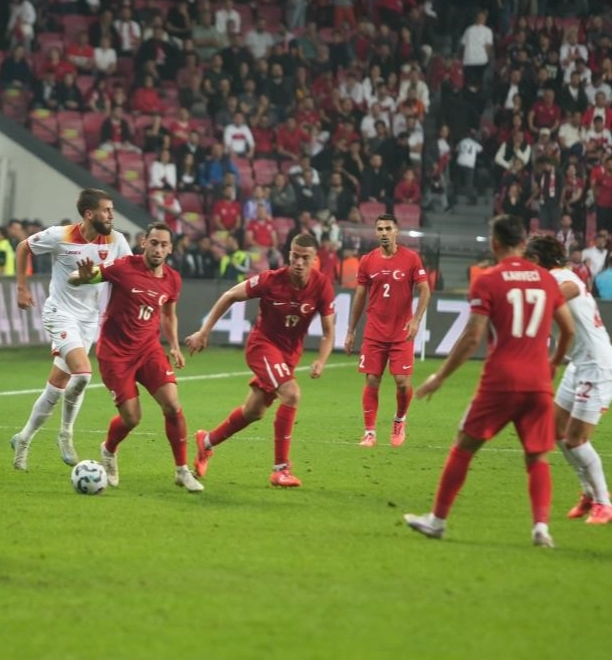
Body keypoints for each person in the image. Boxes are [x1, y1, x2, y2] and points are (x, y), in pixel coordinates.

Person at [404, 215, 575, 548]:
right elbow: (568, 330)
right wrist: (553, 364)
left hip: (500, 381)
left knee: (464, 445)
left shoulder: (488, 280)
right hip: (538, 382)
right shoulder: (546, 279)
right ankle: (541, 528)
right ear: (523, 243)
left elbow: (472, 338)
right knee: (537, 457)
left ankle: (437, 520)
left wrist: (440, 376)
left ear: (495, 244)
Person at [184, 233, 336, 487]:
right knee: (291, 394)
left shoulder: (322, 286)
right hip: (262, 346)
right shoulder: (271, 280)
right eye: (295, 256)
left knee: (254, 411)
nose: (299, 262)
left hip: (289, 354)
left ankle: (206, 442)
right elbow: (230, 295)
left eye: (305, 258)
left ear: (314, 259)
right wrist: (204, 331)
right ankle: (281, 469)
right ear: (289, 255)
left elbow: (329, 332)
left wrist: (321, 360)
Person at [68, 223, 203, 493]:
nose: (158, 249)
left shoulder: (173, 279)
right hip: (115, 354)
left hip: (149, 350)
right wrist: (80, 277)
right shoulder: (123, 267)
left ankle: (182, 470)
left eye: (163, 245)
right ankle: (108, 449)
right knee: (132, 418)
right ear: (144, 243)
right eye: (154, 243)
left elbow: (168, 315)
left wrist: (174, 346)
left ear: (170, 249)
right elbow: (80, 277)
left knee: (172, 405)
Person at [11, 189, 132, 471]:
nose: (111, 215)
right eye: (106, 210)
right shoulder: (60, 235)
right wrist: (21, 288)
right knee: (83, 375)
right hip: (60, 314)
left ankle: (23, 439)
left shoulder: (116, 240)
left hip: (89, 321)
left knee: (56, 388)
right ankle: (66, 434)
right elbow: (23, 247)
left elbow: (129, 272)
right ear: (89, 214)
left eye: (112, 210)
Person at [524, 237, 612, 525]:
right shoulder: (547, 280)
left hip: (597, 366)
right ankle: (589, 493)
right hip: (578, 365)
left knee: (576, 439)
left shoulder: (560, 276)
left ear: (538, 260)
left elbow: (571, 288)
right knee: (556, 430)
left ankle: (604, 503)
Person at [344, 214, 430, 447]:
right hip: (374, 331)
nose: (384, 232)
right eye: (380, 229)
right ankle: (369, 433)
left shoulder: (411, 258)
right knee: (372, 380)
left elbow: (425, 290)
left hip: (401, 331)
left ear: (396, 231)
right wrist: (351, 330)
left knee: (402, 382)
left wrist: (416, 320)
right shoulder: (367, 261)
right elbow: (359, 297)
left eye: (388, 228)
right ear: (376, 232)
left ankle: (399, 420)